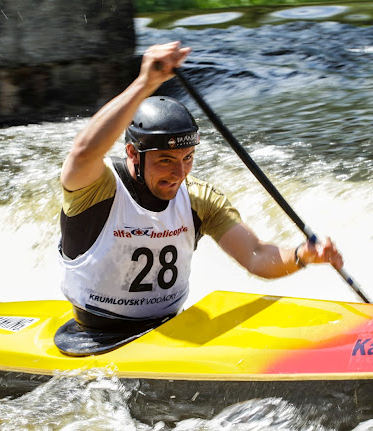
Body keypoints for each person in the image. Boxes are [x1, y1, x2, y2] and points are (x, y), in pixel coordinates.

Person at [55, 41, 343, 355]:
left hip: (170, 328)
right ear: (132, 154)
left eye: (188, 158)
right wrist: (145, 84)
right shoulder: (96, 189)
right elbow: (83, 152)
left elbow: (257, 255)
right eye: (165, 160)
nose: (179, 173)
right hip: (97, 337)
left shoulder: (198, 199)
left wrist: (302, 256)